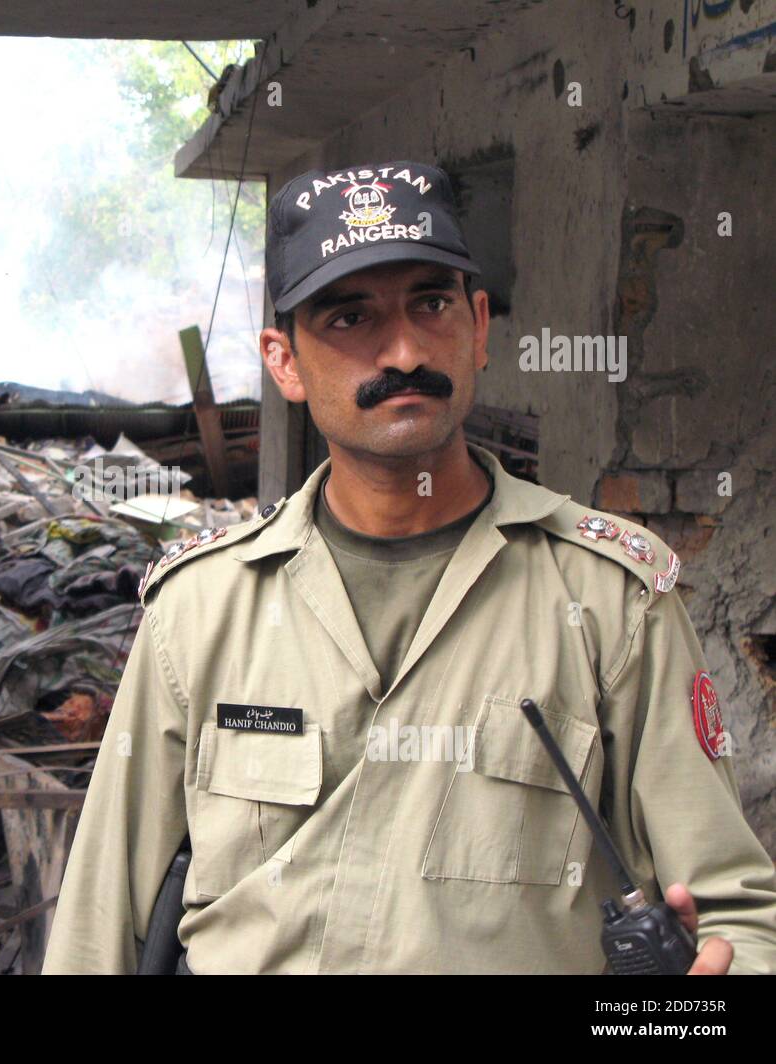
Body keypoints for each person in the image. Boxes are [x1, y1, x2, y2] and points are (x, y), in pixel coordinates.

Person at [41, 161, 776, 974]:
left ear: (480, 326)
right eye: (350, 317)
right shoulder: (202, 610)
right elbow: (98, 922)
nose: (403, 350)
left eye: (431, 304)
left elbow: (734, 911)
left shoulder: (609, 601)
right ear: (282, 362)